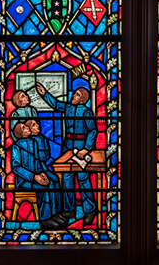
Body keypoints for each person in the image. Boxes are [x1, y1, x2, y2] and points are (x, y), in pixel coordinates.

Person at [36, 82, 98, 225]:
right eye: (74, 93)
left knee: (83, 178)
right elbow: (56, 104)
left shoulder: (87, 112)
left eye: (77, 94)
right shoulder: (68, 107)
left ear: (82, 99)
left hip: (81, 146)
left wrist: (86, 148)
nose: (73, 95)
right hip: (68, 146)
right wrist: (44, 93)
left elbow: (92, 131)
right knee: (67, 178)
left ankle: (90, 209)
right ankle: (69, 209)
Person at [10, 121, 68, 230]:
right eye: (24, 127)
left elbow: (37, 162)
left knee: (54, 182)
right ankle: (45, 219)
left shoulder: (33, 143)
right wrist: (34, 177)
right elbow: (16, 168)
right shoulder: (16, 147)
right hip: (24, 181)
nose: (27, 128)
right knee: (45, 187)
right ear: (20, 133)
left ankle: (54, 214)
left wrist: (42, 173)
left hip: (37, 174)